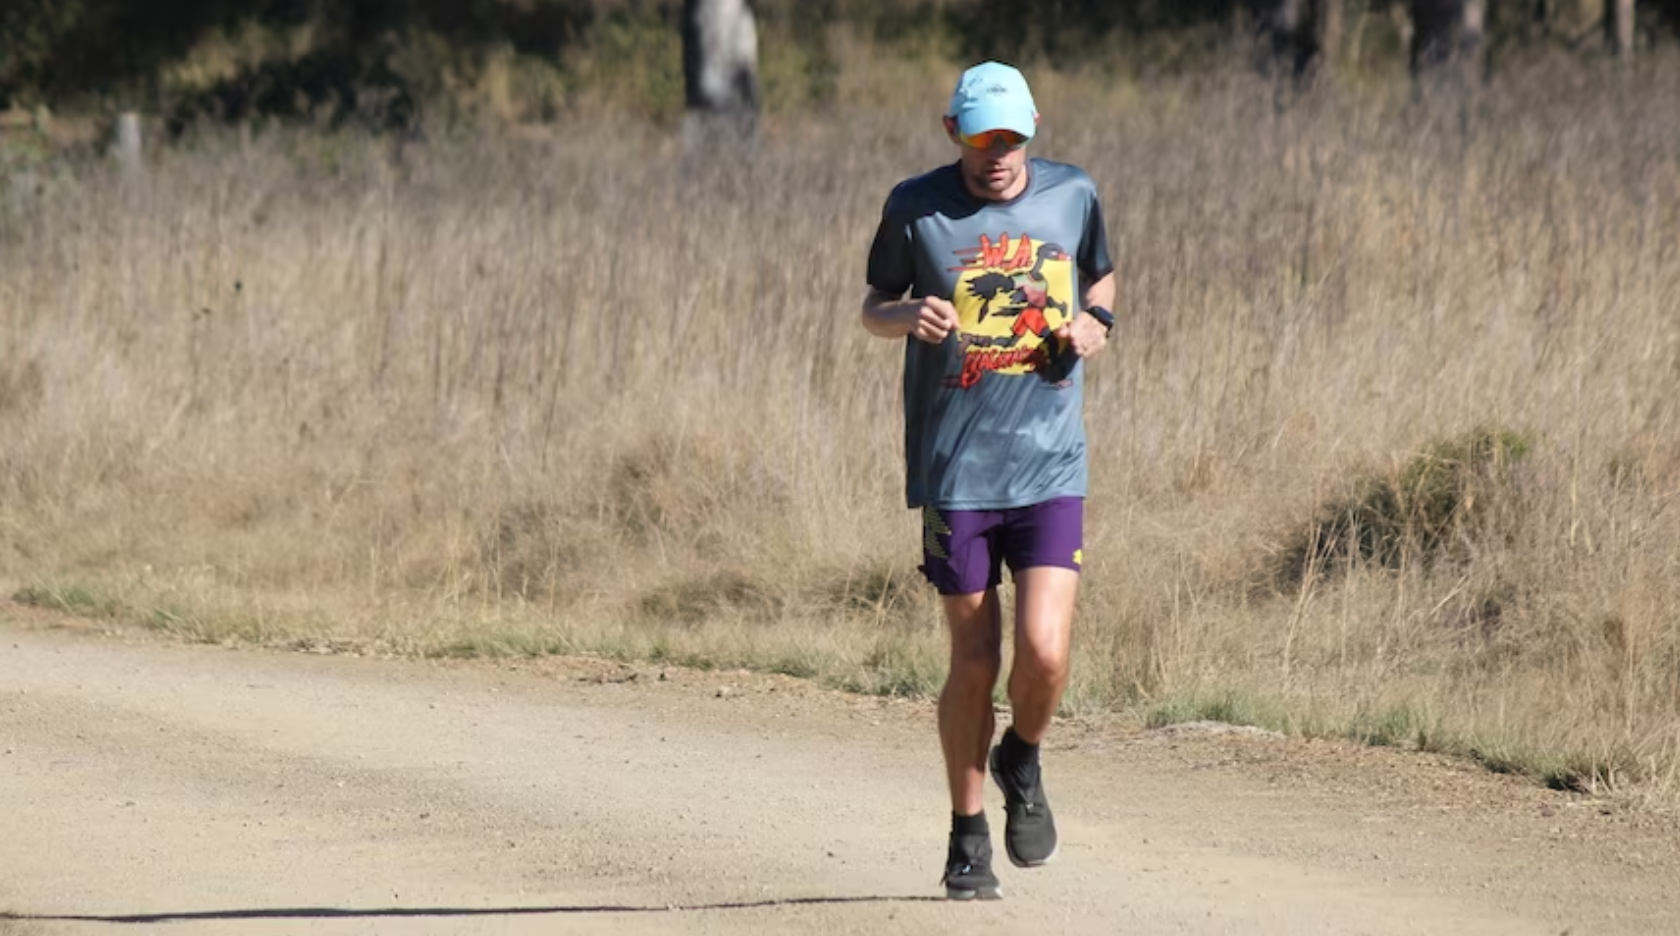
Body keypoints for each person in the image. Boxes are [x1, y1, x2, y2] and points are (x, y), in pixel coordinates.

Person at [860, 61, 1117, 901]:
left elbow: (1101, 275)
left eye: (1012, 138)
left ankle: (1023, 757)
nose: (998, 154)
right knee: (975, 660)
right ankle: (967, 836)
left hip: (1050, 462)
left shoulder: (1073, 193)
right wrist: (907, 315)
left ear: (1032, 130)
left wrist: (1096, 322)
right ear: (954, 132)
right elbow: (872, 304)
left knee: (1045, 651)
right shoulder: (916, 207)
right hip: (956, 470)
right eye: (982, 138)